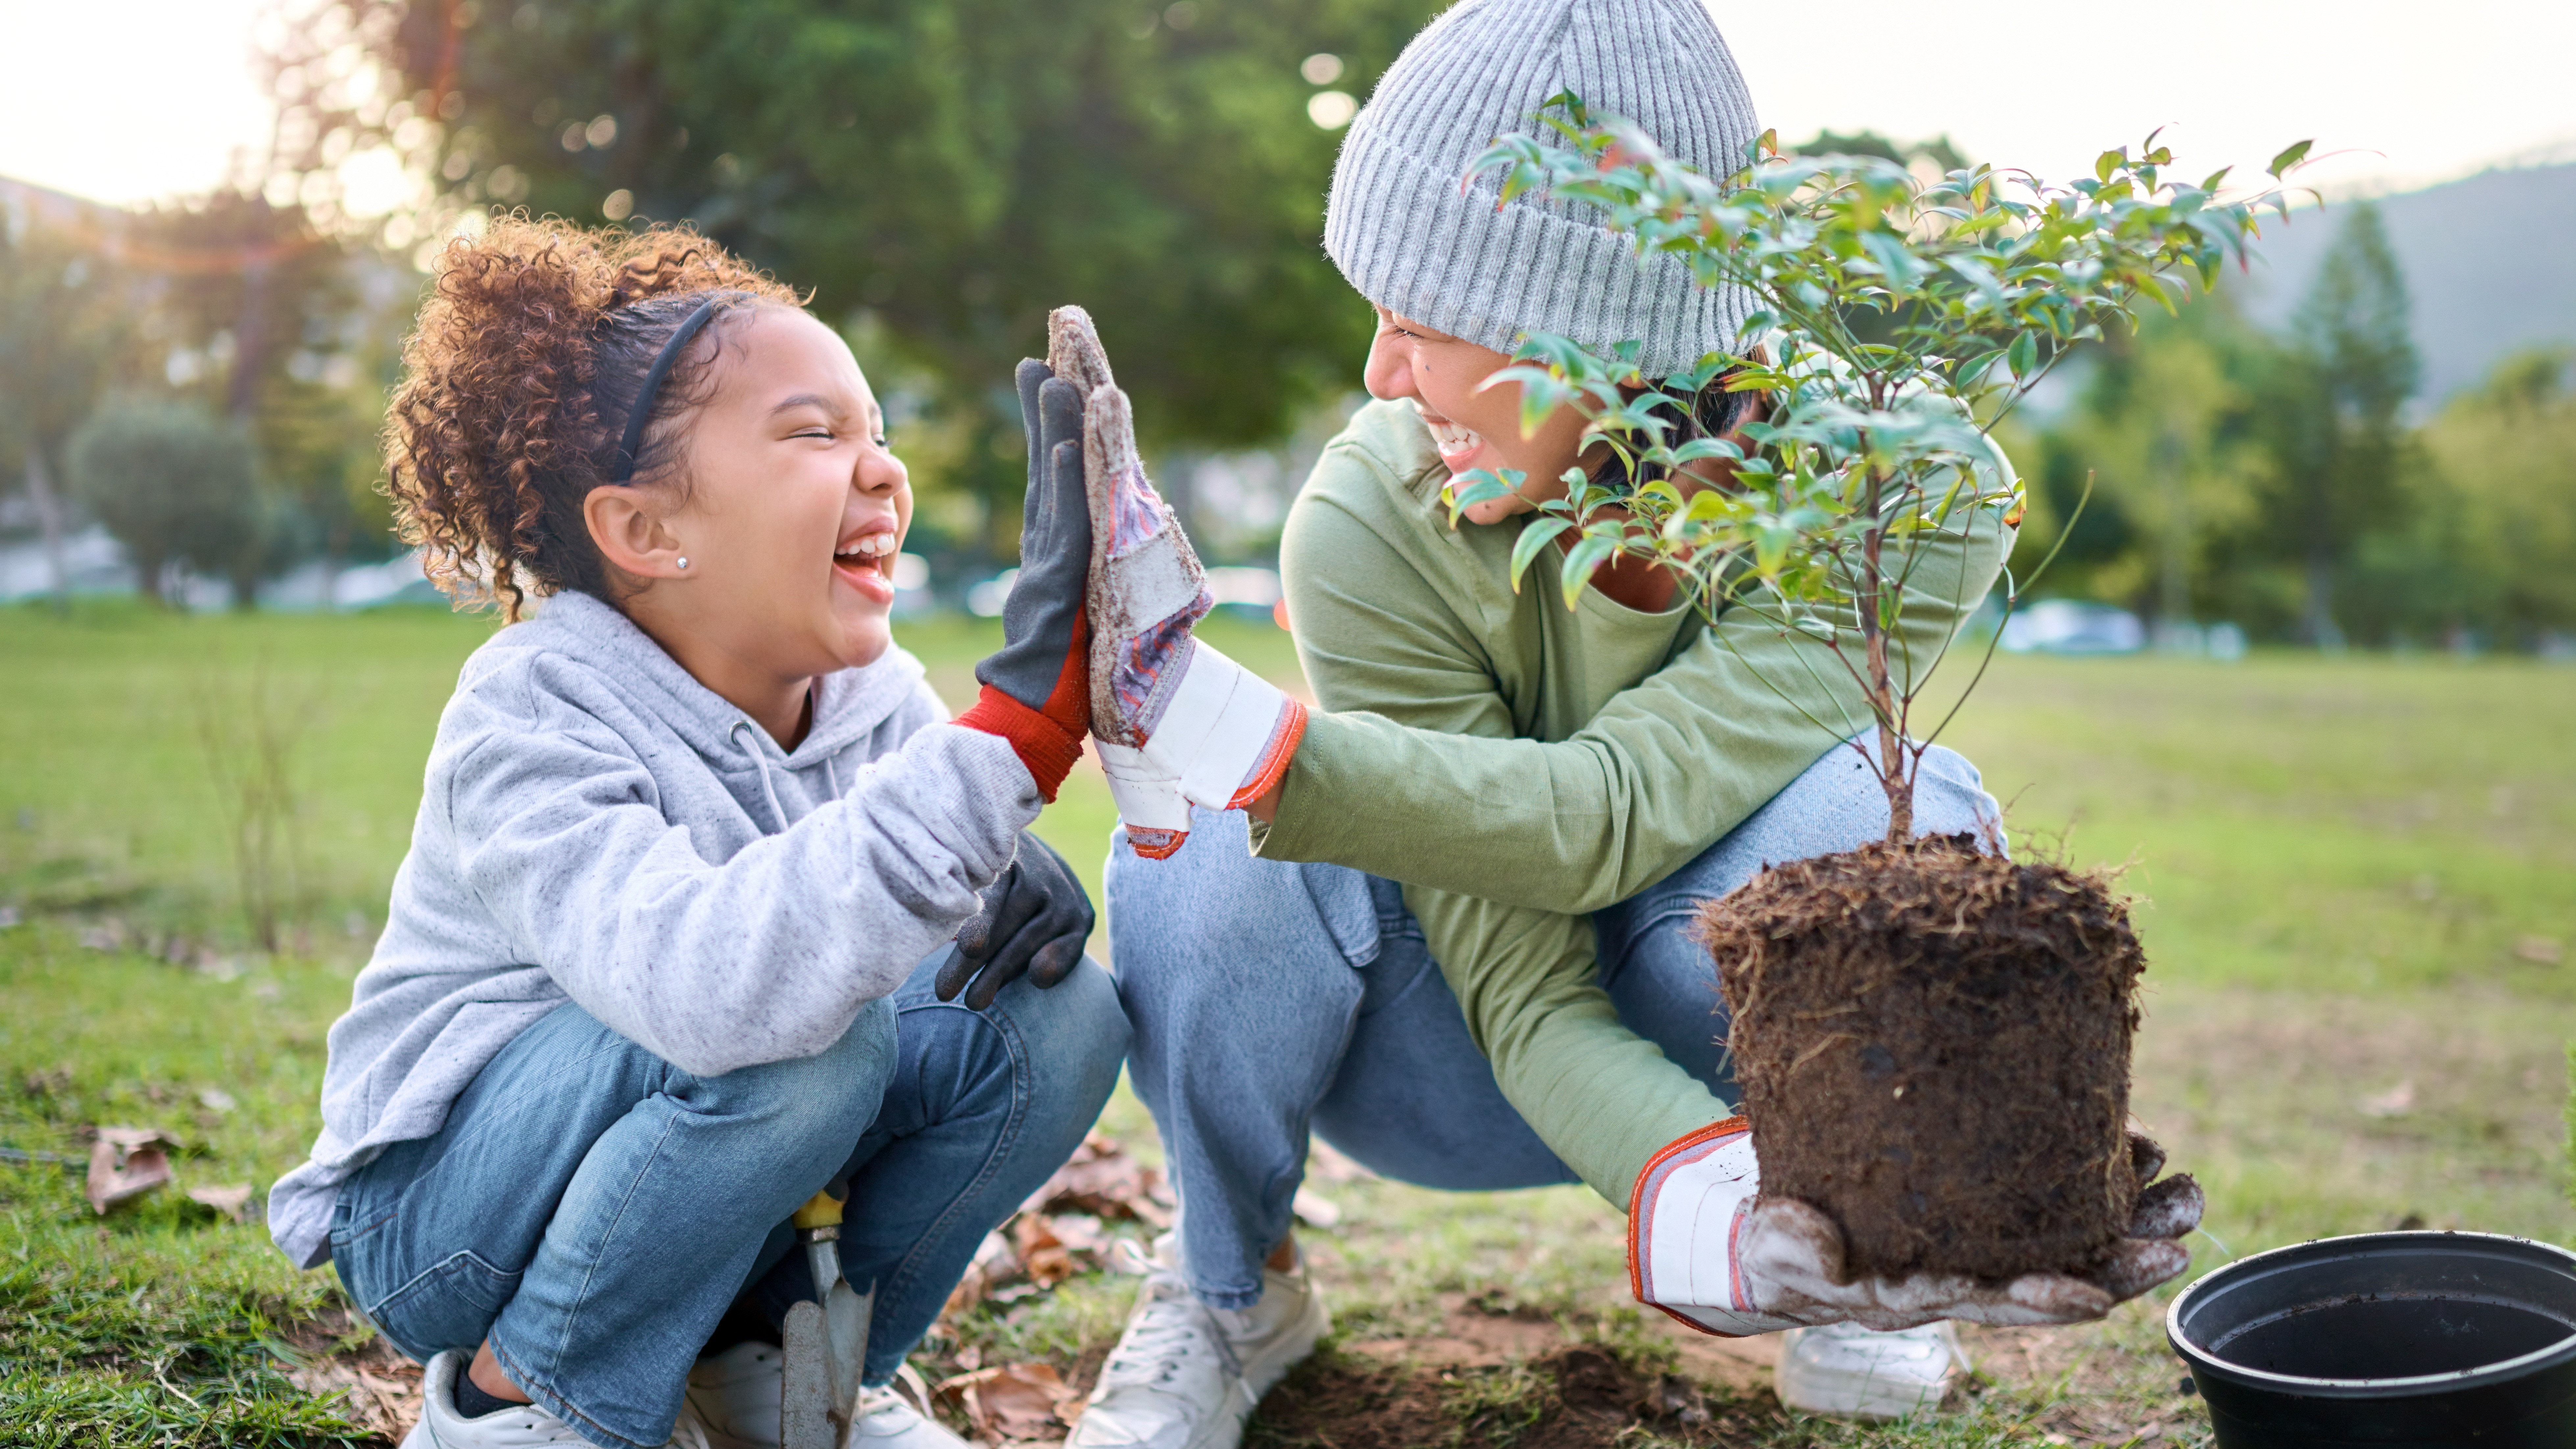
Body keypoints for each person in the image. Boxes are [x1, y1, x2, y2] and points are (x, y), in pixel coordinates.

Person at [1052, 0, 2199, 1443]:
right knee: (1221, 854)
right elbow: (1524, 990)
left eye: (1423, 325)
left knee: (1894, 807)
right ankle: (1232, 1291)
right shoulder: (1368, 520)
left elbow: (1604, 815)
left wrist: (1929, 1178)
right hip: (1439, 1050)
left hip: (1747, 1040)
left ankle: (1870, 1248)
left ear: (1598, 341)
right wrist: (1699, 1203)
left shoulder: (1904, 493)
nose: (1380, 376)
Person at [264, 219, 1129, 1449]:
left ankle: (778, 1369)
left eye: (878, 433)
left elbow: (892, 886)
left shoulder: (870, 695)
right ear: (646, 533)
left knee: (1058, 1016)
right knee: (790, 1040)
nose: (881, 470)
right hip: (448, 1218)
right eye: (817, 433)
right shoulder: (533, 708)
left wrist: (984, 855)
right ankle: (529, 1396)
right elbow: (715, 991)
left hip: (719, 1158)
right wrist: (1007, 746)